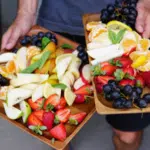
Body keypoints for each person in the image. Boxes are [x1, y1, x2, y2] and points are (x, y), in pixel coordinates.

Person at [1, 0, 150, 150]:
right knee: (56, 130)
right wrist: (26, 14)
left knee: (128, 137)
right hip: (59, 17)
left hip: (126, 20)